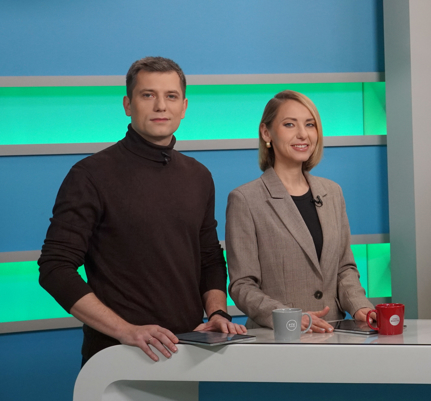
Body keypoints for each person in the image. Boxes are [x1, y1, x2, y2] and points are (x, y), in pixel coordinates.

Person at [38, 57, 246, 364]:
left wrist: (217, 313)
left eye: (171, 96)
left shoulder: (199, 176)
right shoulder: (90, 175)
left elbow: (209, 258)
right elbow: (54, 268)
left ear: (184, 107)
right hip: (116, 356)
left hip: (187, 352)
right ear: (128, 104)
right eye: (148, 95)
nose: (161, 106)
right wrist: (126, 331)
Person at [225, 90, 373, 333]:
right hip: (279, 338)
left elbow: (344, 269)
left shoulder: (332, 192)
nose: (303, 134)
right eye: (289, 124)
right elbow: (242, 285)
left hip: (333, 334)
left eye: (310, 124)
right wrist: (289, 317)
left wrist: (361, 307)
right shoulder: (245, 199)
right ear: (266, 133)